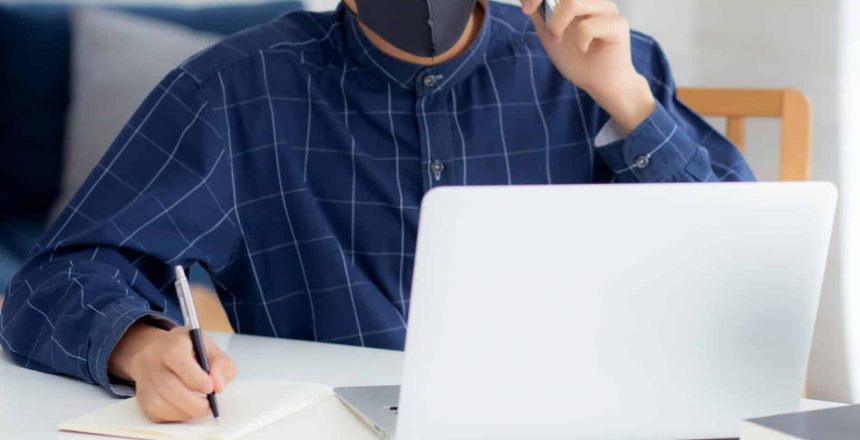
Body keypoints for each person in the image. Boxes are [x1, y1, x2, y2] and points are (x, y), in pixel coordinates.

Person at [0, 0, 754, 423]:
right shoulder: (236, 88)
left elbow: (740, 277)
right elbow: (56, 278)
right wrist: (137, 344)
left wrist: (627, 100)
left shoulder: (607, 68)